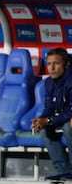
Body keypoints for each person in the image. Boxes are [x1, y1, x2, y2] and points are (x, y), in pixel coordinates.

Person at [31, 48, 72, 181]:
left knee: (68, 127)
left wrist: (49, 120)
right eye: (49, 64)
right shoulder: (48, 82)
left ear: (66, 65)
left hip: (69, 119)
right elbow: (49, 107)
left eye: (56, 63)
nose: (52, 68)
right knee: (44, 131)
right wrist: (41, 120)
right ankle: (64, 171)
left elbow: (69, 111)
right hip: (63, 118)